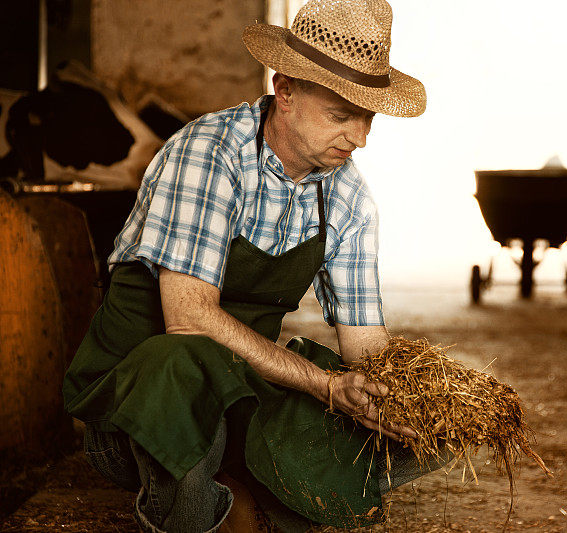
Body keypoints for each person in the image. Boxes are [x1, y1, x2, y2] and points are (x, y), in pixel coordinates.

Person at [61, 1, 447, 531]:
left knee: (427, 427)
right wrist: (322, 386)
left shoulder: (349, 197)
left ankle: (239, 504)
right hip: (134, 412)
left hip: (235, 395)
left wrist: (395, 398)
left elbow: (366, 344)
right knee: (185, 361)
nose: (360, 139)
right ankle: (197, 511)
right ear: (284, 90)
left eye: (368, 119)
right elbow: (188, 317)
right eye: (341, 116)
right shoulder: (209, 154)